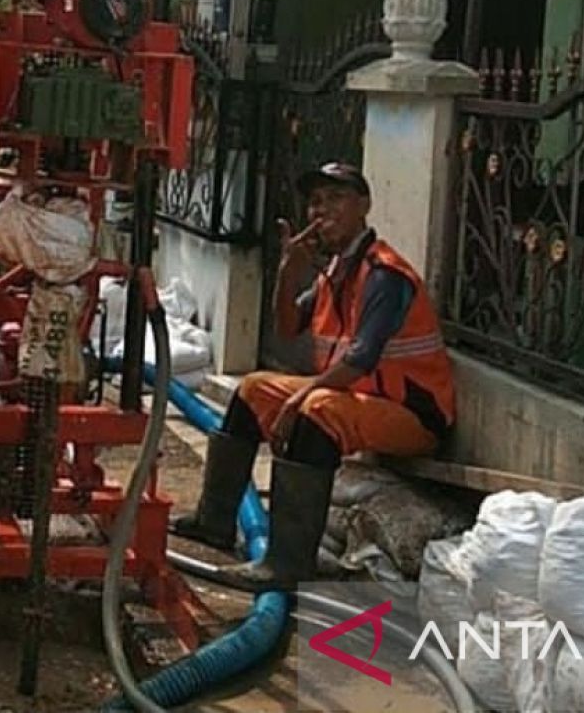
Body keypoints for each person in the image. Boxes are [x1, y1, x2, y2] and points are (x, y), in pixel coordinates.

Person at [172, 162, 455, 592]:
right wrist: (289, 268)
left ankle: (288, 562)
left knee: (316, 406)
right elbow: (288, 326)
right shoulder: (336, 272)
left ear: (364, 206)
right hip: (359, 401)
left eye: (336, 199)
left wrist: (300, 397)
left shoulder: (383, 274)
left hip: (413, 416)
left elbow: (360, 360)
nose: (322, 211)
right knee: (253, 389)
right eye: (317, 202)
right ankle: (215, 521)